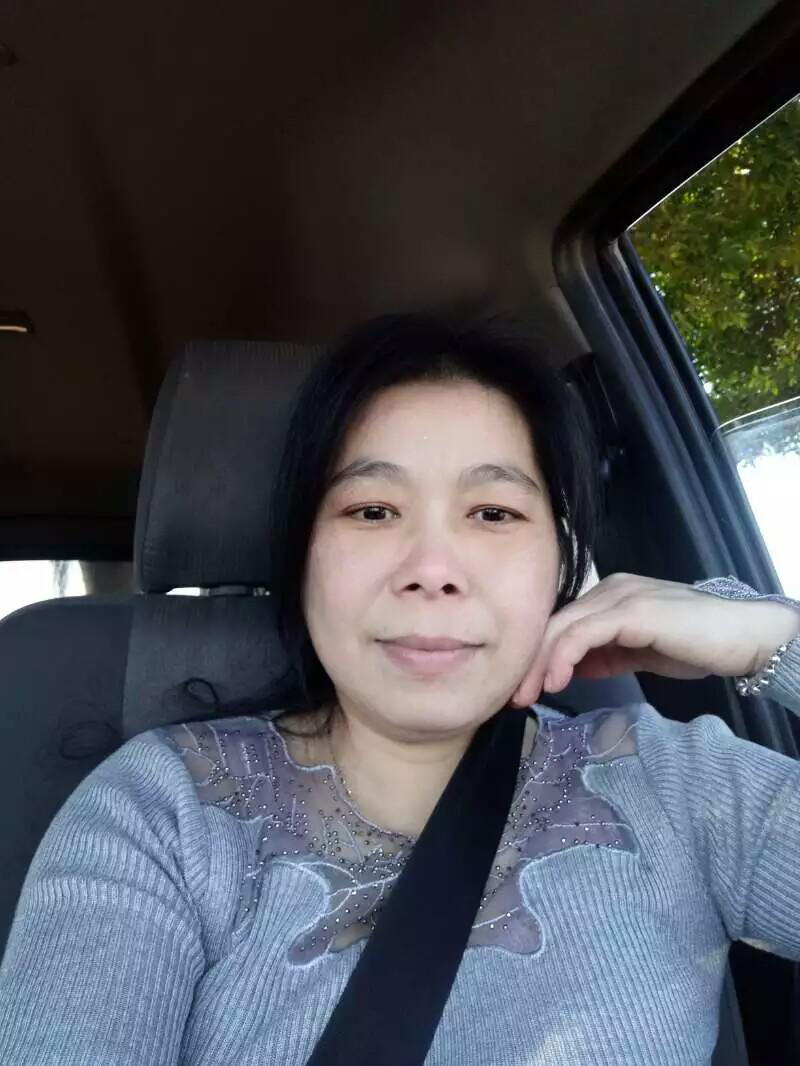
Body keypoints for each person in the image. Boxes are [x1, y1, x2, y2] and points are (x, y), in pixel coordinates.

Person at [0, 312, 798, 1065]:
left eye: (493, 512)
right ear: (302, 554)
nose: (432, 569)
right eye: (374, 510)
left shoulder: (675, 784)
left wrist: (770, 637)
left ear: (560, 562)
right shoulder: (163, 811)